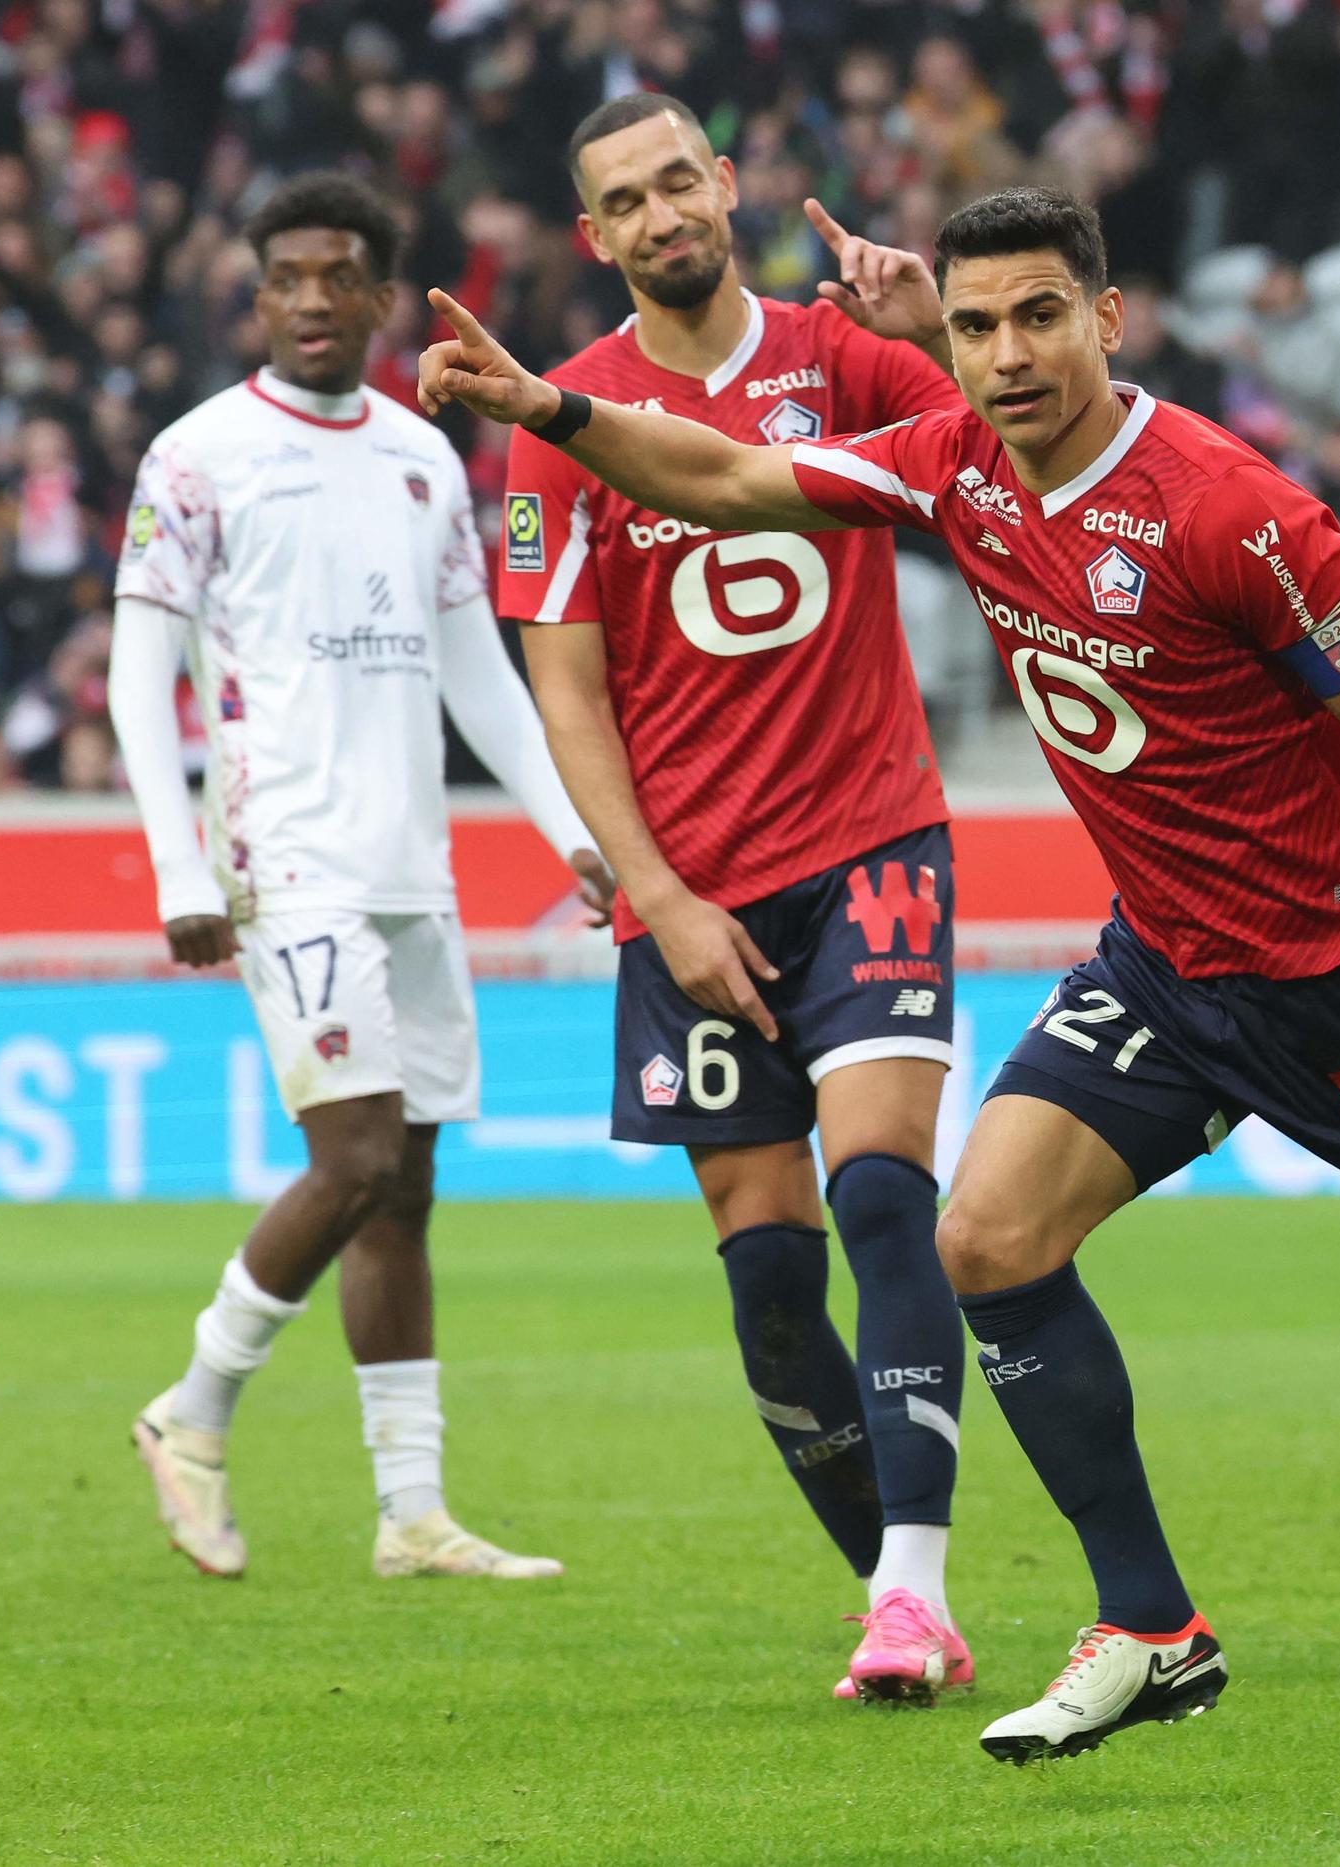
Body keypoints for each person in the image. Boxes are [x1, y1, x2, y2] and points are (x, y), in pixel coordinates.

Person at [418, 184, 1340, 1765]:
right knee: (985, 1237)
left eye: (1039, 316)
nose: (1006, 354)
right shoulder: (951, 463)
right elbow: (724, 471)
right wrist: (557, 408)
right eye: (973, 327)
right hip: (1168, 966)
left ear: (1106, 320)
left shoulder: (1227, 506)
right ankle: (1152, 1626)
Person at [495, 94, 976, 1706]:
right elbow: (563, 684)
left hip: (871, 843)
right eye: (622, 199)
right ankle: (890, 1595)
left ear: (727, 188)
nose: (657, 216)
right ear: (597, 237)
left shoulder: (842, 360)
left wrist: (940, 338)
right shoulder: (557, 418)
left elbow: (1026, 445)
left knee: (887, 1199)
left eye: (676, 181)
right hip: (690, 896)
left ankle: (914, 1591)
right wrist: (657, 896)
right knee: (773, 1294)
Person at [106, 172, 609, 1585]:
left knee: (409, 1186)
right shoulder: (197, 457)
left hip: (409, 863)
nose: (312, 300)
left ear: (382, 296)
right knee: (359, 1156)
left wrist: (569, 824)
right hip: (288, 854)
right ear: (254, 294)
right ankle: (191, 1410)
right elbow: (144, 678)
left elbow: (475, 673)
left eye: (339, 276)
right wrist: (175, 865)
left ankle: (411, 1512)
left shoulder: (420, 457)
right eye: (285, 278)